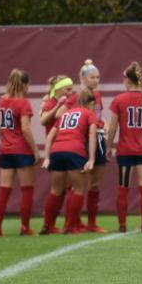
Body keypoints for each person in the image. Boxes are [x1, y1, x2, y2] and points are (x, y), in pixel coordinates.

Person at [108, 62, 142, 233]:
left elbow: (112, 127)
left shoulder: (119, 100)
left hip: (125, 150)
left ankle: (122, 225)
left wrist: (108, 147)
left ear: (128, 80)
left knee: (123, 187)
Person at [42, 89, 99, 233]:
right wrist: (91, 158)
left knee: (55, 190)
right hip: (75, 150)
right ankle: (71, 226)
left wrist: (47, 157)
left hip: (57, 150)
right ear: (91, 103)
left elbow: (50, 136)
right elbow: (92, 135)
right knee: (79, 189)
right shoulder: (89, 113)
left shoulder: (65, 114)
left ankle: (48, 225)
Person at [0, 69, 39, 237]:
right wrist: (35, 149)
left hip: (6, 150)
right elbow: (25, 128)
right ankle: (25, 227)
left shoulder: (1, 102)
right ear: (24, 84)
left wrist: (6, 142)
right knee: (27, 189)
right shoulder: (24, 103)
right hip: (22, 150)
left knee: (4, 190)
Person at [76, 60, 109, 233]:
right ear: (83, 78)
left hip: (98, 139)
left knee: (95, 184)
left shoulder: (98, 96)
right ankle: (74, 221)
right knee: (78, 183)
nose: (95, 80)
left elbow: (97, 116)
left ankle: (91, 222)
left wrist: (103, 124)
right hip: (82, 141)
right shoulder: (77, 96)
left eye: (97, 77)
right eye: (92, 77)